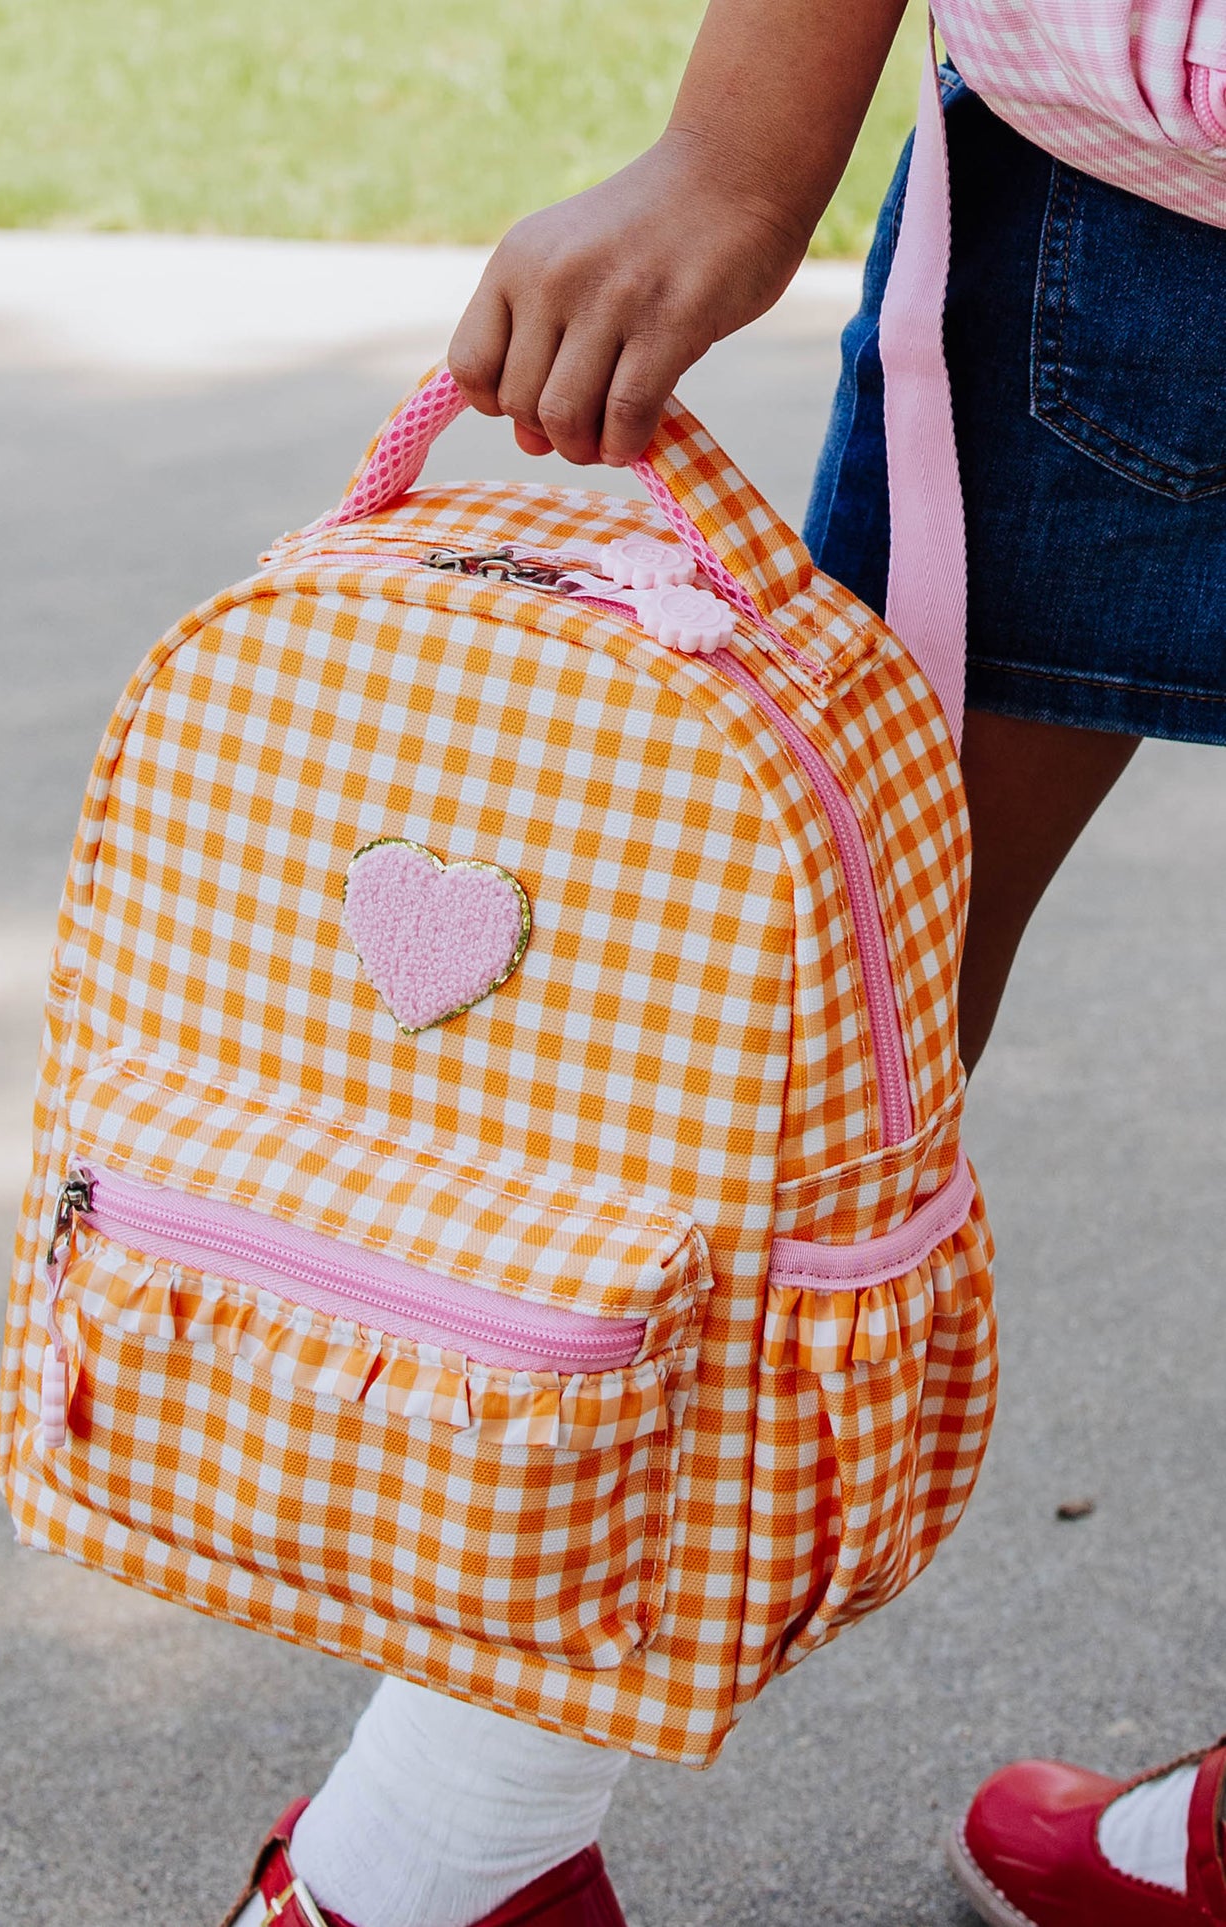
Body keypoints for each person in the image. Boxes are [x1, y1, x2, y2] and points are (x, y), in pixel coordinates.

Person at [223, 2, 1226, 1922]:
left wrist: (742, 156)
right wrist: (738, 151)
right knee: (816, 1023)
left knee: (795, 1042)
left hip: (1142, 179)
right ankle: (446, 1846)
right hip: (1145, 196)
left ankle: (436, 1862)